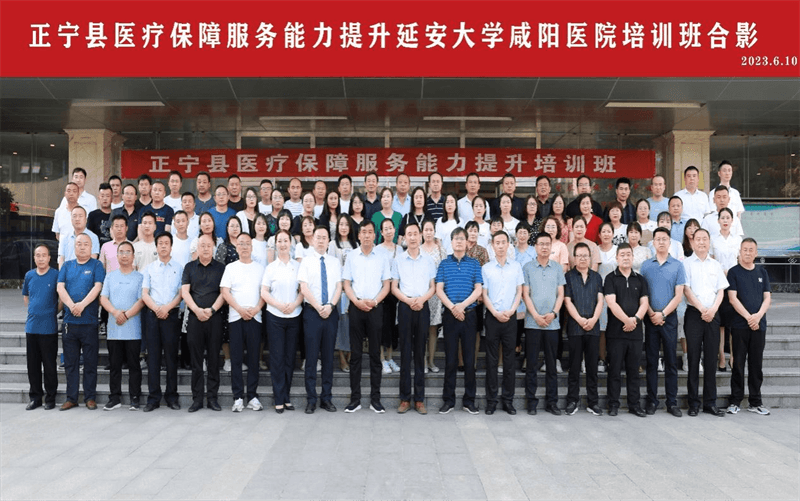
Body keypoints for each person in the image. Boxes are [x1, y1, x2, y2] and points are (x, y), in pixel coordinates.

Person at [344, 220, 393, 411]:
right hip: (356, 308)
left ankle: (375, 399)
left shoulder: (382, 257)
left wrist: (374, 301)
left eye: (370, 232)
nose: (366, 235)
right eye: (363, 232)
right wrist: (356, 301)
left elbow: (386, 285)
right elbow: (346, 284)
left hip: (375, 308)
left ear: (375, 235)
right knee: (355, 355)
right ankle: (354, 399)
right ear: (358, 235)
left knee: (374, 355)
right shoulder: (351, 256)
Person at [436, 227, 483, 414]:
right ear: (451, 242)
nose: (459, 241)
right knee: (450, 360)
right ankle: (448, 400)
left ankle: (469, 400)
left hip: (469, 314)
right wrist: (453, 308)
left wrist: (462, 306)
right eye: (455, 239)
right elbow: (439, 289)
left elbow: (478, 289)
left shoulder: (474, 264)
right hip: (450, 315)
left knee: (470, 360)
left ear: (466, 241)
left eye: (462, 238)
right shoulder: (444, 264)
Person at [682, 228, 728, 417]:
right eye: (698, 239)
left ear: (709, 242)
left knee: (711, 359)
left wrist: (713, 310)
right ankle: (693, 403)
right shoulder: (686, 264)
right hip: (694, 314)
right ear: (692, 242)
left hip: (713, 315)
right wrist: (702, 309)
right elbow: (686, 290)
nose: (701, 242)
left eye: (704, 239)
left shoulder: (716, 265)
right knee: (693, 359)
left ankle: (710, 403)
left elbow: (721, 290)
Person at [641, 227, 686, 418]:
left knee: (671, 362)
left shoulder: (677, 265)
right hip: (650, 318)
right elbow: (642, 294)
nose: (661, 242)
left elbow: (678, 295)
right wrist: (652, 314)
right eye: (658, 239)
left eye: (664, 239)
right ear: (653, 243)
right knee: (652, 361)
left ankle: (671, 402)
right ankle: (652, 400)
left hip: (669, 319)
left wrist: (663, 314)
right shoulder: (646, 266)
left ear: (669, 242)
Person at [56, 233, 105, 410]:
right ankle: (72, 398)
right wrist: (71, 306)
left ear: (91, 247)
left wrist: (82, 305)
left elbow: (98, 287)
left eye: (85, 244)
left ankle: (90, 397)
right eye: (79, 244)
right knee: (71, 364)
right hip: (70, 323)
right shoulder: (67, 265)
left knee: (91, 362)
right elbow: (60, 287)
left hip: (89, 323)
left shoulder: (97, 265)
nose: (82, 247)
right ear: (74, 247)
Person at [392, 222, 437, 414]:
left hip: (422, 306)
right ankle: (404, 399)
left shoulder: (428, 260)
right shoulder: (398, 259)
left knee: (420, 353)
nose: (412, 237)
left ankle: (419, 399)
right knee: (405, 353)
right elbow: (394, 287)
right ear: (405, 237)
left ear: (420, 236)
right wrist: (408, 300)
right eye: (408, 234)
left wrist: (421, 300)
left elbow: (433, 287)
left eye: (415, 234)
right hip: (405, 306)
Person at [298, 226, 343, 414]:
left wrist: (330, 306)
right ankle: (311, 399)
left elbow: (339, 287)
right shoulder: (306, 262)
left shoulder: (335, 262)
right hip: (312, 312)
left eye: (325, 237)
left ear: (328, 241)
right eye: (318, 237)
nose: (321, 240)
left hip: (330, 312)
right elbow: (304, 287)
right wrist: (318, 307)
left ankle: (326, 398)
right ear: (313, 240)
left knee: (328, 358)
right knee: (311, 358)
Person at [221, 232, 266, 412]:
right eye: (241, 243)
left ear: (252, 247)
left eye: (247, 243)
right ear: (236, 247)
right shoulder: (230, 268)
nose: (244, 247)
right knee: (236, 359)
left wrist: (256, 309)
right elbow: (225, 292)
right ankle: (238, 397)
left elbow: (264, 292)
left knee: (254, 359)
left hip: (255, 317)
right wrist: (239, 309)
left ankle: (253, 396)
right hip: (236, 317)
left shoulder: (260, 268)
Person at [603, 243, 649, 417]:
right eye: (622, 254)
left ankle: (634, 405)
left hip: (635, 333)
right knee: (614, 370)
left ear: (633, 257)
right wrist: (626, 321)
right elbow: (611, 303)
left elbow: (644, 303)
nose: (625, 257)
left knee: (634, 371)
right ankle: (613, 404)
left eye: (628, 254)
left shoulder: (640, 279)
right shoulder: (610, 278)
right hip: (616, 333)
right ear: (617, 258)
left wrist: (635, 320)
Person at [727, 238, 772, 416]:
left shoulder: (762, 272)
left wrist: (758, 316)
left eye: (751, 249)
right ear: (740, 251)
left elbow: (767, 298)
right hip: (740, 325)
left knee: (756, 365)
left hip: (759, 326)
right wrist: (748, 318)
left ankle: (756, 402)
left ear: (756, 253)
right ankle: (735, 401)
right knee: (738, 363)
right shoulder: (734, 272)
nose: (747, 252)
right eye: (744, 249)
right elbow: (732, 298)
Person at [181, 234, 226, 412]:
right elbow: (185, 292)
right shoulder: (189, 267)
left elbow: (224, 293)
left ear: (213, 247)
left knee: (214, 359)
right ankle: (197, 399)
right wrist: (197, 310)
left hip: (215, 318)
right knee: (196, 361)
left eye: (208, 245)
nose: (206, 248)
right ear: (197, 248)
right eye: (202, 245)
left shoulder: (221, 268)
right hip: (195, 318)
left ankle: (213, 398)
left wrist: (212, 310)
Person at [522, 232, 565, 415]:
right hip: (533, 323)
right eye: (541, 244)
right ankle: (531, 402)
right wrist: (536, 316)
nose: (545, 247)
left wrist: (554, 314)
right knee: (531, 365)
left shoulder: (557, 268)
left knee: (551, 365)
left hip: (552, 324)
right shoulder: (527, 267)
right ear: (536, 247)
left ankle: (552, 402)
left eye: (548, 244)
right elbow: (525, 294)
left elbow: (561, 294)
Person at [481, 230, 523, 415]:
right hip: (492, 317)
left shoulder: (516, 267)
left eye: (503, 242)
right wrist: (495, 313)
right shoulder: (486, 268)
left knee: (509, 361)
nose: (500, 246)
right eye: (497, 243)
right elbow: (484, 294)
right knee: (491, 361)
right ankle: (491, 401)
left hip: (510, 317)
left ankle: (508, 400)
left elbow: (519, 291)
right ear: (493, 245)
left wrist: (512, 310)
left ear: (508, 245)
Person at [261, 229, 303, 413]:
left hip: (294, 316)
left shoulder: (298, 266)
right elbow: (264, 292)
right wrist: (279, 305)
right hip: (275, 317)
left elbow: (303, 290)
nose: (283, 244)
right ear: (275, 244)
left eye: (286, 240)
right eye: (280, 241)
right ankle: (278, 398)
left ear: (290, 243)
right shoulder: (270, 268)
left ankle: (286, 397)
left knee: (289, 358)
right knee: (277, 358)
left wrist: (294, 304)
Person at [141, 232, 183, 412]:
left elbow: (181, 293)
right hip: (152, 315)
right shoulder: (149, 268)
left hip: (171, 316)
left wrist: (167, 308)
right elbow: (144, 293)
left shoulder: (179, 268)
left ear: (171, 246)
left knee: (171, 358)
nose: (163, 246)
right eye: (160, 243)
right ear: (156, 246)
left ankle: (172, 396)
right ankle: (153, 398)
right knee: (153, 358)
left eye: (167, 243)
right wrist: (157, 309)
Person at [99, 241, 144, 411]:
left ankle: (135, 397)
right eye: (121, 252)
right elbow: (103, 298)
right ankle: (114, 398)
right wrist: (115, 312)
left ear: (133, 256)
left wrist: (126, 315)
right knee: (115, 365)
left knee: (134, 365)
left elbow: (141, 300)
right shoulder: (110, 276)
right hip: (114, 329)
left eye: (128, 252)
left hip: (133, 329)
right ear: (116, 256)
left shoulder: (139, 277)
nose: (124, 255)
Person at [563, 242, 604, 416]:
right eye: (579, 256)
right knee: (574, 367)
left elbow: (600, 300)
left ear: (590, 257)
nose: (582, 259)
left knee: (592, 367)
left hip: (593, 327)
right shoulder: (568, 277)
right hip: (575, 327)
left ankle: (592, 402)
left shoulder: (597, 277)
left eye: (585, 256)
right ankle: (572, 400)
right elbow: (567, 301)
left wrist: (593, 319)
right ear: (574, 258)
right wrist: (580, 320)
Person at [22, 244, 60, 411]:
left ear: (49, 258)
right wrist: (33, 311)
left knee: (49, 365)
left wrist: (51, 312)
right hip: (32, 328)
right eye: (38, 255)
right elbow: (26, 296)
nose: (41, 258)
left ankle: (50, 398)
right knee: (33, 366)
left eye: (44, 255)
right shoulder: (29, 275)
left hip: (48, 328)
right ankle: (35, 398)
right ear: (34, 258)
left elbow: (61, 299)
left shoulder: (55, 275)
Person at [328, 214, 357, 372]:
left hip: (353, 290)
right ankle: (341, 357)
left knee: (352, 323)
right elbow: (332, 267)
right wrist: (342, 285)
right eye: (341, 224)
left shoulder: (355, 244)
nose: (344, 227)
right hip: (339, 289)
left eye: (346, 224)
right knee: (341, 323)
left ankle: (351, 352)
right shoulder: (333, 244)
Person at [420, 219, 446, 374]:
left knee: (433, 328)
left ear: (434, 232)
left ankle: (431, 361)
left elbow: (444, 271)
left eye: (431, 230)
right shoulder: (418, 249)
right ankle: (422, 361)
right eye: (426, 230)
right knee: (422, 329)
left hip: (436, 295)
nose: (428, 233)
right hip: (421, 294)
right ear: (422, 232)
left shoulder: (441, 250)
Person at [596, 222, 618, 375]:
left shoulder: (618, 250)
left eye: (608, 231)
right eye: (603, 231)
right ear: (599, 234)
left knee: (615, 326)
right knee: (602, 327)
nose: (606, 234)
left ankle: (615, 358)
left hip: (616, 292)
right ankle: (602, 358)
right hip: (600, 293)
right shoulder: (595, 250)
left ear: (613, 234)